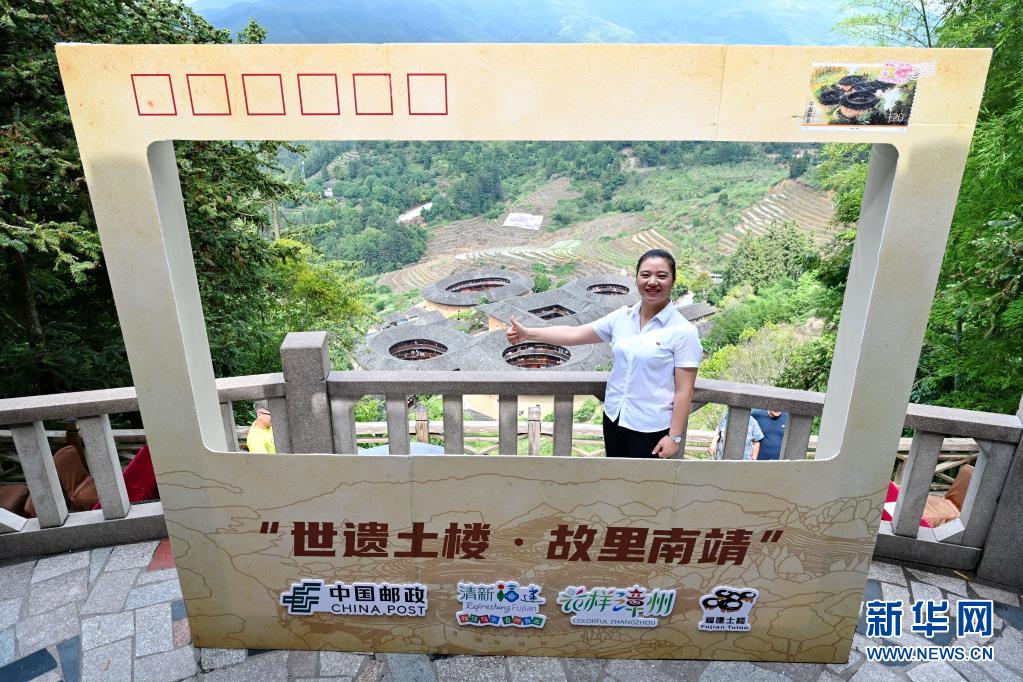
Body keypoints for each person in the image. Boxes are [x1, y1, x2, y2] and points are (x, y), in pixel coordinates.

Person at [507, 249, 702, 458]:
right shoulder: (622, 318)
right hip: (614, 418)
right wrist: (528, 334)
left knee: (644, 480)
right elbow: (574, 333)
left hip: (651, 427)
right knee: (614, 476)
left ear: (673, 281)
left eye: (661, 276)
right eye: (645, 275)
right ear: (636, 278)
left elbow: (684, 390)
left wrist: (674, 437)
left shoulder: (683, 332)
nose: (652, 282)